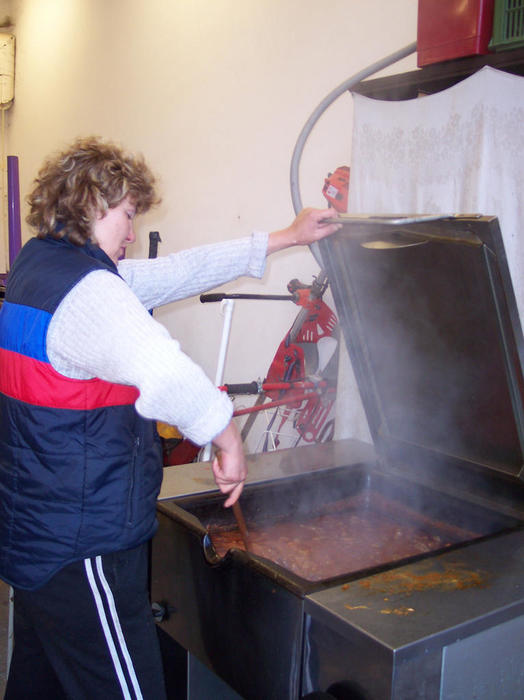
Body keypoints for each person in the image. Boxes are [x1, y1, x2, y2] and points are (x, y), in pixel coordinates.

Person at [0, 136, 340, 699]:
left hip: (34, 535)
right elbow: (167, 371)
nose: (132, 232)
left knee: (40, 686)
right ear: (92, 203)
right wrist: (227, 436)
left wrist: (286, 236)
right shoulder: (89, 293)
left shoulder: (39, 268)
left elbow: (179, 272)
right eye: (128, 214)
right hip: (84, 548)